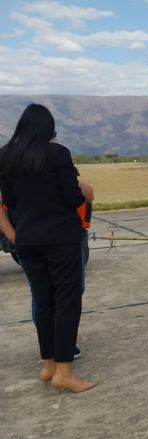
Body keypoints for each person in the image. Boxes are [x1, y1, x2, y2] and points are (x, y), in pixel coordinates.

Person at [0, 104, 96, 393]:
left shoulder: (5, 156)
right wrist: (77, 184)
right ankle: (65, 372)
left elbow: (12, 201)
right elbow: (72, 198)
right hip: (60, 239)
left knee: (43, 301)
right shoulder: (58, 153)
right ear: (49, 130)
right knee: (67, 301)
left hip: (27, 240)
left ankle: (48, 365)